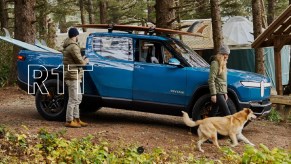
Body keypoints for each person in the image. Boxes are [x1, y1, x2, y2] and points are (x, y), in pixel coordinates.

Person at [63, 27, 89, 128]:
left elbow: (75, 60)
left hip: (75, 75)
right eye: (77, 35)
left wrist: (81, 59)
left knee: (78, 98)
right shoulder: (73, 47)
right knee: (73, 99)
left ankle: (77, 119)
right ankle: (69, 120)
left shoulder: (70, 45)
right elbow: (80, 62)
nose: (78, 37)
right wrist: (85, 60)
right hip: (72, 76)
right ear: (75, 35)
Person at [208, 44, 232, 117]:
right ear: (221, 54)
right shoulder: (215, 64)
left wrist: (225, 93)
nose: (227, 57)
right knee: (227, 113)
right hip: (217, 92)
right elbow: (211, 79)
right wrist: (213, 94)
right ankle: (231, 128)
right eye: (226, 55)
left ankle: (206, 126)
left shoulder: (223, 64)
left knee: (214, 111)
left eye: (228, 55)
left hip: (221, 91)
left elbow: (223, 81)